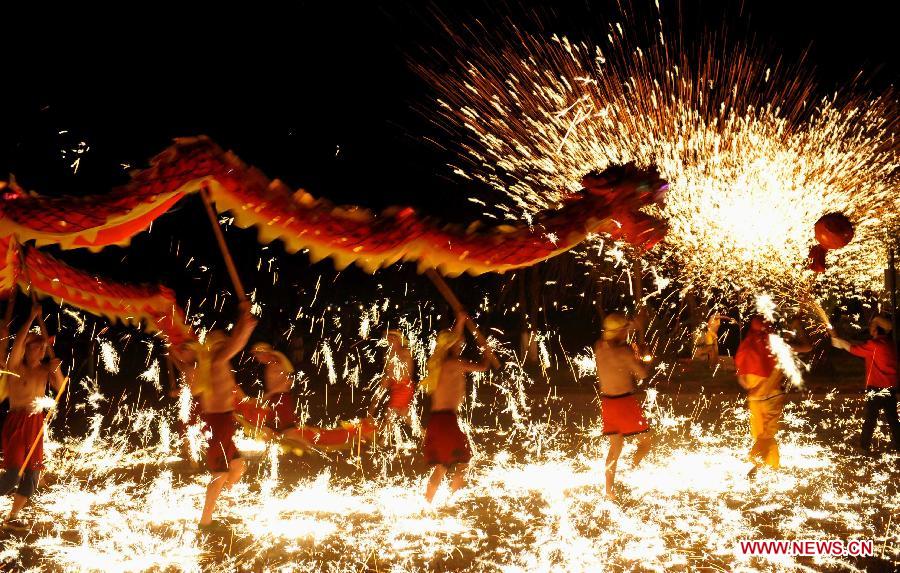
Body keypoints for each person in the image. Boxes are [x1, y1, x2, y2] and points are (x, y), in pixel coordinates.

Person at [170, 301, 257, 531]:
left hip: (223, 421)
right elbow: (237, 344)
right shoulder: (215, 361)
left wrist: (242, 324)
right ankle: (205, 521)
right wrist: (245, 324)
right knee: (221, 473)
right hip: (216, 423)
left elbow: (233, 345)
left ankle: (219, 502)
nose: (224, 347)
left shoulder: (216, 364)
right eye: (221, 344)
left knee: (238, 467)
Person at [0, 303, 65, 526]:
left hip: (36, 423)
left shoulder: (45, 370)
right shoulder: (16, 366)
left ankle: (13, 517)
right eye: (36, 346)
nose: (41, 349)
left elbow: (60, 388)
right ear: (27, 348)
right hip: (17, 421)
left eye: (42, 347)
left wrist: (56, 369)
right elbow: (17, 343)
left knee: (32, 475)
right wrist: (31, 318)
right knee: (12, 476)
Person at [422, 312, 490, 503]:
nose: (461, 343)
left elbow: (454, 339)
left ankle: (427, 502)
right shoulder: (455, 363)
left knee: (442, 466)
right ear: (453, 346)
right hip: (446, 421)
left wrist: (459, 321)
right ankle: (452, 500)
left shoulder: (442, 363)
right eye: (458, 342)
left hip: (437, 421)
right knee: (463, 461)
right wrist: (486, 350)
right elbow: (483, 367)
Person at [735, 316, 811, 476]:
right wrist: (798, 326)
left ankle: (772, 468)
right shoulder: (776, 344)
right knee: (767, 437)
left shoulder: (745, 345)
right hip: (771, 399)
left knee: (761, 437)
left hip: (754, 401)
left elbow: (742, 380)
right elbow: (807, 347)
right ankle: (756, 466)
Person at [594, 312, 653, 501]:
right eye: (625, 330)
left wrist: (634, 326)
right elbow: (642, 374)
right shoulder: (625, 352)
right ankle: (633, 470)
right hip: (625, 403)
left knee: (615, 449)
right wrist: (643, 356)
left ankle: (609, 491)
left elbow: (618, 334)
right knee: (646, 443)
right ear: (620, 332)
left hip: (607, 403)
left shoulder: (600, 347)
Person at [831, 314, 899, 452]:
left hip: (876, 388)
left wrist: (840, 342)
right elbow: (859, 344)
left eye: (872, 326)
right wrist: (841, 340)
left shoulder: (874, 345)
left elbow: (854, 349)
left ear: (875, 330)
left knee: (871, 418)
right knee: (893, 419)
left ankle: (864, 446)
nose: (870, 328)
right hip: (890, 387)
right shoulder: (889, 342)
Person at [249, 342, 298, 432]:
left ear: (264, 353)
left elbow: (288, 381)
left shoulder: (276, 362)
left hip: (282, 400)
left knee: (288, 430)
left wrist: (268, 395)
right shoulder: (270, 364)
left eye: (257, 355)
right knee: (270, 428)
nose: (257, 358)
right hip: (275, 399)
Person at [379, 330, 416, 424]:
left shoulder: (406, 353)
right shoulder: (388, 355)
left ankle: (384, 439)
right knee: (404, 415)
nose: (391, 340)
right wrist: (385, 382)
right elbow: (389, 374)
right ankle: (425, 435)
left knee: (390, 414)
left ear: (399, 340)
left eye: (393, 338)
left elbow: (407, 372)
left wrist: (391, 376)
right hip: (395, 388)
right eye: (389, 338)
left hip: (405, 387)